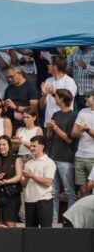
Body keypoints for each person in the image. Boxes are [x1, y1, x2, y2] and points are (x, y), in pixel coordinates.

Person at [46, 88, 77, 223]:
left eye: (56, 97)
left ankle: (69, 221)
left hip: (66, 158)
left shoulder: (73, 116)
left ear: (62, 99)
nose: (55, 99)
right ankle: (53, 221)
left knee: (69, 191)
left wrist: (55, 128)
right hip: (53, 157)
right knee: (53, 192)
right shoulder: (55, 114)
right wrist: (49, 128)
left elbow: (69, 139)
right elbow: (48, 137)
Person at [22, 135, 56, 228]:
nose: (31, 148)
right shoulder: (28, 163)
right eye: (31, 146)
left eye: (34, 146)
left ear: (42, 147)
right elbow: (23, 185)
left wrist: (32, 176)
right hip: (29, 200)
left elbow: (48, 182)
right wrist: (27, 178)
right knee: (29, 232)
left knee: (45, 231)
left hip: (44, 201)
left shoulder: (49, 162)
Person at [39, 54, 77, 127]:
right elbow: (42, 106)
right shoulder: (48, 81)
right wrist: (44, 95)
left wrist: (53, 93)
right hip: (48, 122)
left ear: (55, 67)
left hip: (63, 122)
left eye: (50, 64)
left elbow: (67, 102)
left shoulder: (69, 82)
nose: (47, 65)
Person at [72, 90, 94, 194]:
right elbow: (73, 133)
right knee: (82, 190)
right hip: (80, 155)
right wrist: (79, 131)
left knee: (91, 188)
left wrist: (87, 129)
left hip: (93, 156)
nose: (85, 98)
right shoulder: (82, 111)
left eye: (88, 96)